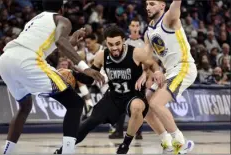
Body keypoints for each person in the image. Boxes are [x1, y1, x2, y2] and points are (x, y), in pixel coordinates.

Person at [0, 0, 104, 154]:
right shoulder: (62, 19)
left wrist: (72, 40)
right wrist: (85, 68)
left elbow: (55, 43)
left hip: (5, 60)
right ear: (62, 9)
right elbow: (60, 41)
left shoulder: (35, 20)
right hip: (28, 60)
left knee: (25, 106)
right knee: (75, 103)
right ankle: (68, 152)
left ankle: (7, 152)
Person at [54, 25, 163, 154]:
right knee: (89, 122)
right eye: (111, 44)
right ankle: (63, 149)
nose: (114, 47)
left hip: (134, 95)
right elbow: (89, 79)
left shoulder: (136, 53)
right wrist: (73, 74)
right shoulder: (101, 56)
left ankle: (125, 145)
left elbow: (153, 63)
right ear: (106, 42)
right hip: (113, 96)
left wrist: (156, 72)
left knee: (137, 107)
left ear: (123, 40)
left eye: (117, 43)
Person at [136, 0, 197, 154]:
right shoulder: (148, 32)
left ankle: (180, 143)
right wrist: (146, 73)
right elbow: (147, 58)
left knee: (156, 103)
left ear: (162, 5)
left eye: (152, 3)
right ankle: (166, 142)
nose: (148, 7)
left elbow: (177, 3)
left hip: (184, 66)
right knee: (144, 106)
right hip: (169, 71)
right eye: (147, 4)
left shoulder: (170, 18)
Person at [109, 18, 145, 140]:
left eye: (137, 25)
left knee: (138, 106)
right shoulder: (125, 43)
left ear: (139, 28)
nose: (135, 27)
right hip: (125, 78)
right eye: (133, 25)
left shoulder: (144, 44)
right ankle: (119, 131)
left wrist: (145, 76)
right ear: (129, 27)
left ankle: (138, 132)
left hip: (138, 79)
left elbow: (148, 62)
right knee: (121, 106)